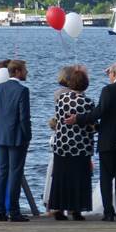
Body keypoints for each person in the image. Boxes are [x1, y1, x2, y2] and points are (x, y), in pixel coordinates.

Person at [66, 61, 116, 221]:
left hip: (108, 138)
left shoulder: (108, 90)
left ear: (114, 74)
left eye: (109, 73)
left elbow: (99, 112)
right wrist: (114, 70)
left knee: (106, 177)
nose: (108, 76)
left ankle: (109, 212)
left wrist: (78, 118)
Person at [49, 68, 96, 221]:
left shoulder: (62, 99)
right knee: (79, 178)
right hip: (81, 145)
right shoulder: (87, 102)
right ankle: (76, 209)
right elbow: (92, 125)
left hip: (62, 142)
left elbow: (58, 118)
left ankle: (58, 208)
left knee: (61, 177)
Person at [0, 59, 31, 222]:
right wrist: (27, 135)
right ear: (18, 71)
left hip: (0, 135)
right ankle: (13, 210)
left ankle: (0, 210)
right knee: (15, 173)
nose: (26, 73)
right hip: (17, 137)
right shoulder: (22, 91)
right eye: (25, 70)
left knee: (2, 172)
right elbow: (24, 117)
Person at [43, 66, 75, 212]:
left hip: (59, 135)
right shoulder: (71, 95)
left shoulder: (58, 93)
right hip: (70, 136)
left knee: (56, 170)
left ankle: (52, 203)